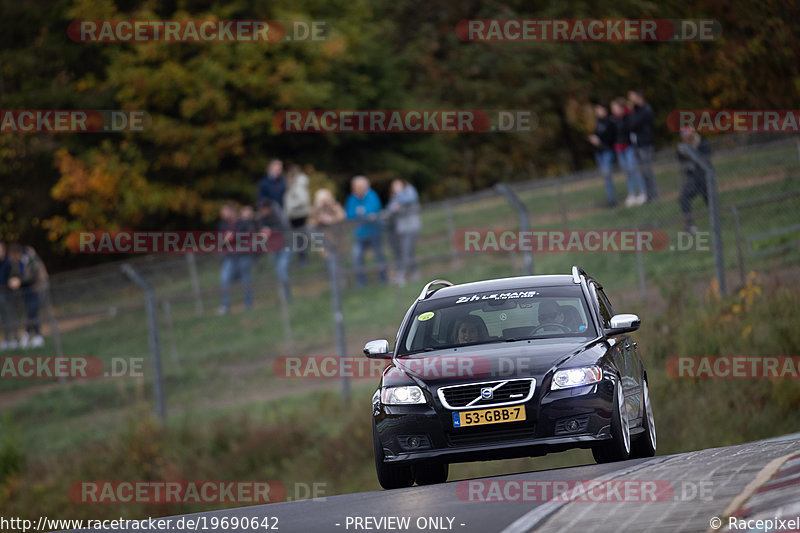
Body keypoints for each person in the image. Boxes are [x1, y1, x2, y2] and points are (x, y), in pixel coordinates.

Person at [345, 175, 387, 287]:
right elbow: (349, 214)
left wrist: (361, 214)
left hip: (374, 233)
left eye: (357, 187)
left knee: (379, 256)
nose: (354, 189)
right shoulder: (351, 198)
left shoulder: (371, 195)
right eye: (354, 187)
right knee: (357, 257)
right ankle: (361, 282)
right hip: (359, 235)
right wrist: (363, 215)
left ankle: (383, 279)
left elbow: (373, 209)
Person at [7, 243, 47, 348]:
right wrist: (12, 281)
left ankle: (28, 334)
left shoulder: (29, 257)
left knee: (32, 311)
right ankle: (36, 336)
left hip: (36, 288)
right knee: (32, 312)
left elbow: (34, 275)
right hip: (26, 290)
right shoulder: (16, 262)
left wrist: (20, 281)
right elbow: (13, 274)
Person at [610, 98, 647, 207]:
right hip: (619, 148)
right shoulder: (614, 120)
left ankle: (642, 192)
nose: (613, 110)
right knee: (627, 172)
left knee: (633, 169)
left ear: (621, 108)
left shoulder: (628, 117)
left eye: (615, 108)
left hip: (628, 147)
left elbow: (630, 129)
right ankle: (632, 194)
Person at [218, 202, 253, 315]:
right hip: (230, 257)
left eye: (224, 210)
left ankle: (248, 305)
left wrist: (234, 237)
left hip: (243, 255)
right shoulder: (223, 226)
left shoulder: (243, 223)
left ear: (231, 211)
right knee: (224, 279)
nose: (222, 213)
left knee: (246, 280)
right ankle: (225, 305)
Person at [677, 128, 712, 234]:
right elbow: (681, 160)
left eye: (687, 136)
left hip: (704, 176)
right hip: (692, 178)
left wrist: (690, 154)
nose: (686, 139)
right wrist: (684, 154)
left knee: (709, 199)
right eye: (684, 137)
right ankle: (689, 226)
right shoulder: (682, 147)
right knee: (683, 199)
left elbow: (705, 159)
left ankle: (715, 220)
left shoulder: (702, 143)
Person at [257, 197, 292, 302]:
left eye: (263, 208)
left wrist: (271, 231)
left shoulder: (279, 215)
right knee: (278, 271)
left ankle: (287, 296)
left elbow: (285, 229)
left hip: (286, 245)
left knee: (281, 268)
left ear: (268, 208)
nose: (261, 211)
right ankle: (284, 296)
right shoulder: (261, 219)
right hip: (274, 247)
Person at [387, 179, 422, 285]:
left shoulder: (409, 193)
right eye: (394, 186)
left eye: (398, 185)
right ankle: (415, 273)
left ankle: (401, 275)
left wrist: (399, 195)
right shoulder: (394, 198)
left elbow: (409, 200)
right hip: (401, 229)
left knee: (406, 251)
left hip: (411, 227)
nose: (396, 188)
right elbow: (390, 209)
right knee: (408, 251)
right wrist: (393, 209)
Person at [628, 89, 658, 201]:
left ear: (638, 97)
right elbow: (630, 125)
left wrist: (632, 112)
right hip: (638, 144)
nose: (630, 99)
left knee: (647, 171)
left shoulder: (646, 109)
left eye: (632, 96)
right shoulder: (636, 111)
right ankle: (649, 195)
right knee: (643, 172)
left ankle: (654, 195)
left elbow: (634, 124)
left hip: (645, 143)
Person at [308, 188, 346, 276]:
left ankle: (343, 286)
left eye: (326, 200)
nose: (325, 203)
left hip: (339, 242)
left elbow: (342, 217)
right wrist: (319, 221)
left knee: (340, 266)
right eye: (322, 201)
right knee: (331, 267)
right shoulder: (315, 210)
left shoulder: (335, 207)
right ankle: (336, 287)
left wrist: (330, 219)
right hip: (324, 244)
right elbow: (310, 224)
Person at [588, 102, 618, 207]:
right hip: (599, 152)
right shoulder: (598, 122)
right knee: (605, 177)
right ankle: (610, 199)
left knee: (607, 175)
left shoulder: (610, 121)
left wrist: (600, 141)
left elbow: (611, 137)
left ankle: (612, 200)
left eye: (599, 109)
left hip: (607, 151)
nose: (597, 112)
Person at [283, 164, 311, 265]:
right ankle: (301, 257)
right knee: (298, 237)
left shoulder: (298, 185)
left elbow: (302, 200)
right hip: (294, 215)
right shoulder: (293, 185)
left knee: (300, 236)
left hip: (298, 215)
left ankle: (302, 258)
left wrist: (291, 207)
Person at [0, 242, 18, 350]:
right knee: (3, 319)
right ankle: (6, 340)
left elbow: (12, 278)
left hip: (8, 295)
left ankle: (15, 339)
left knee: (11, 317)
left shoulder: (8, 263)